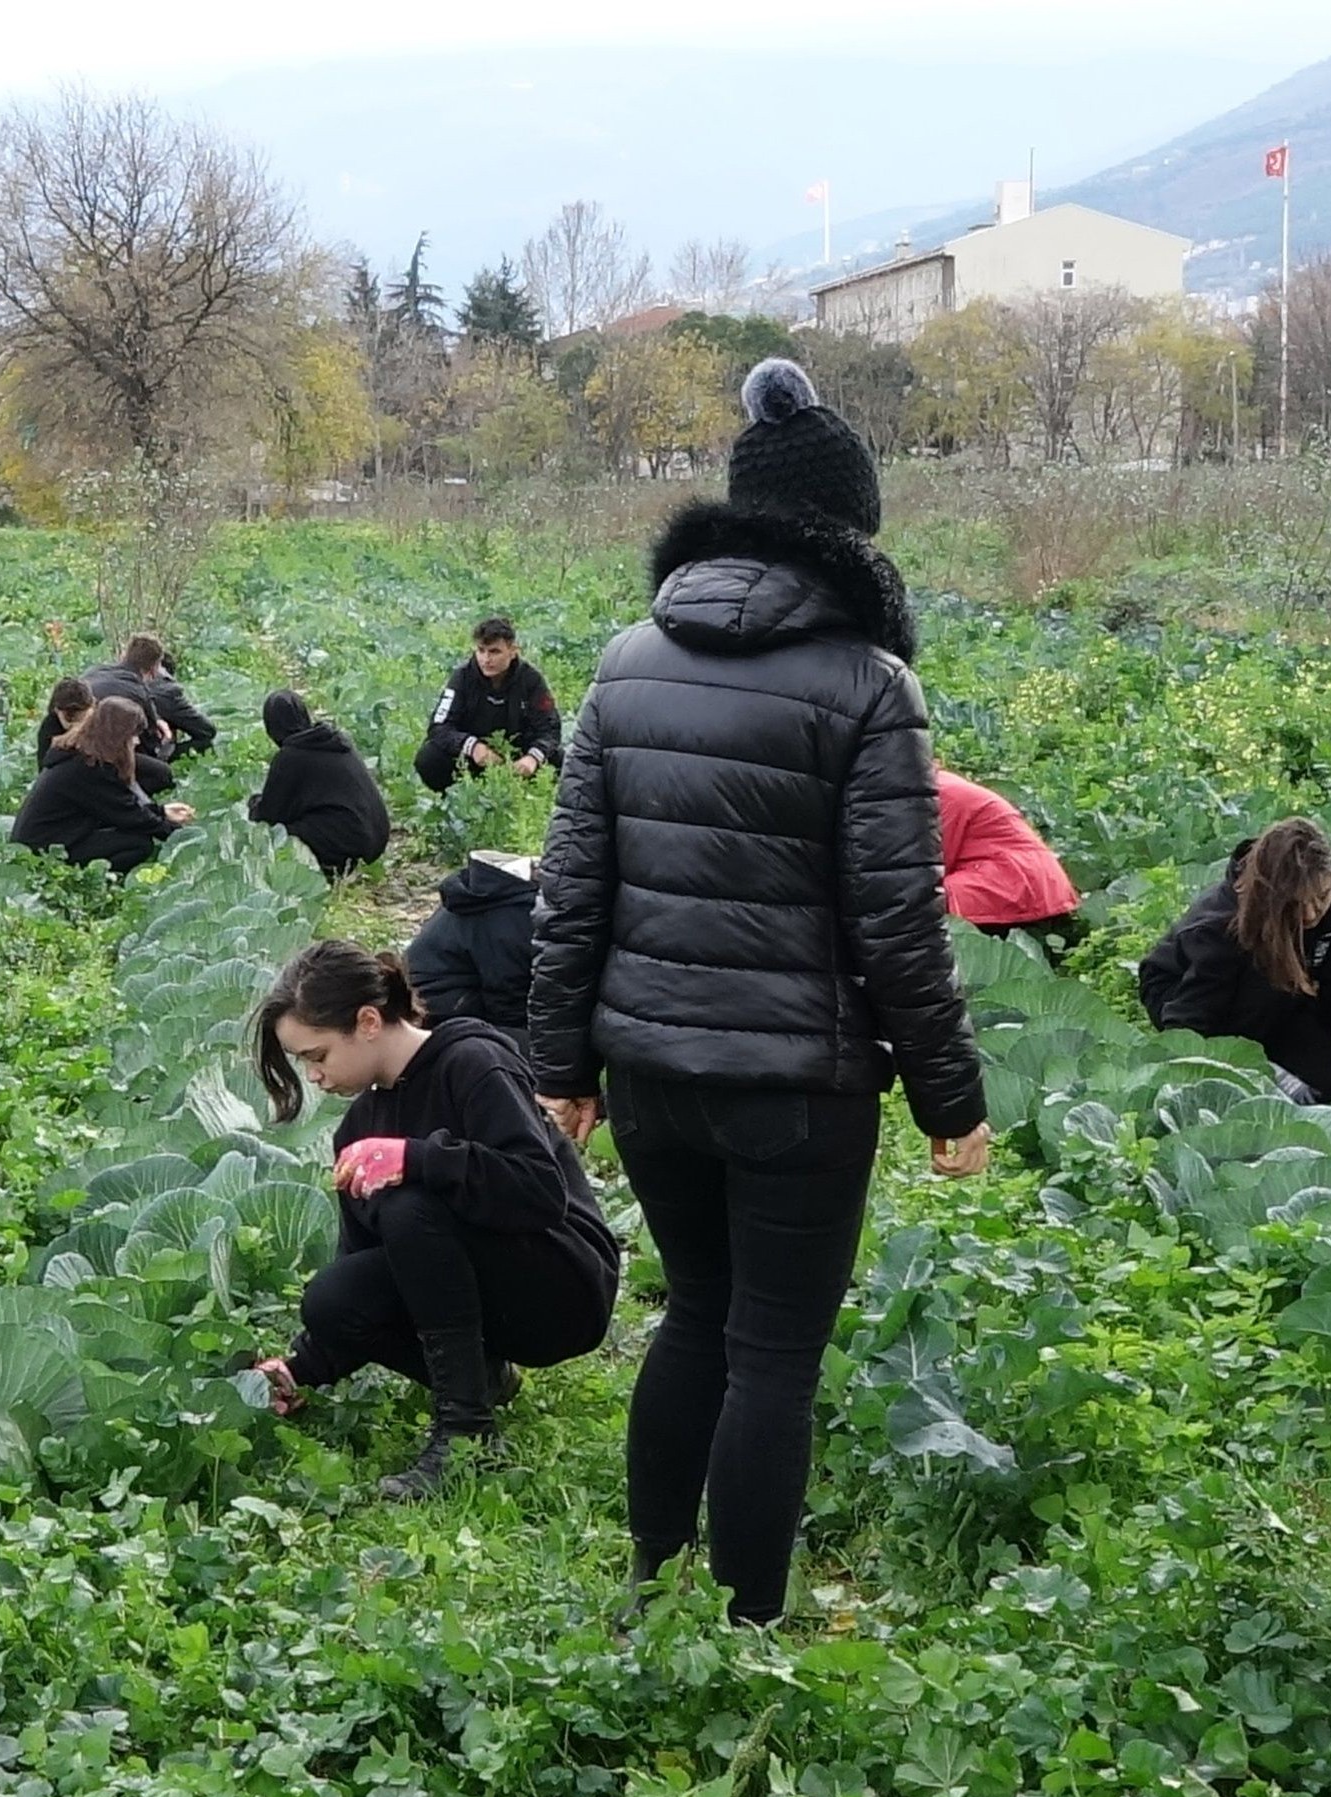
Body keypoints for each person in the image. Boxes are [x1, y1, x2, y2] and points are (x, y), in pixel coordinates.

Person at [526, 356, 994, 1627]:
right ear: (850, 535)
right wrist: (952, 1095)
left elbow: (572, 890)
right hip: (799, 1087)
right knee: (773, 1355)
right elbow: (898, 917)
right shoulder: (867, 685)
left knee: (694, 1317)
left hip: (653, 1079)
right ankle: (743, 1623)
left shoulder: (627, 663)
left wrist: (560, 1066)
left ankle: (649, 1581)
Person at [249, 940, 619, 1499]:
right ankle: (485, 1379)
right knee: (331, 1296)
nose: (314, 1077)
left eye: (317, 1055)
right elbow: (368, 1267)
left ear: (368, 1021)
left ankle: (465, 1435)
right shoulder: (359, 1128)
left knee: (407, 1203)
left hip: (564, 1286)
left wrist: (418, 1158)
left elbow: (541, 1192)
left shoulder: (471, 1062)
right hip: (487, 1297)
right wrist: (300, 1368)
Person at [1137, 818, 1331, 1105]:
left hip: (1279, 988)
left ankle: (1272, 1050)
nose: (1312, 914)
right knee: (1262, 1011)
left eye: (1321, 897)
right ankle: (1249, 1061)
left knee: (1329, 1086)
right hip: (1186, 991)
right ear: (1271, 896)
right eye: (1295, 905)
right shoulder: (1221, 928)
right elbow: (1188, 1025)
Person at [10, 697, 197, 875]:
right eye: (133, 736)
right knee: (137, 843)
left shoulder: (80, 754)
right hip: (42, 853)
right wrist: (181, 839)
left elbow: (121, 804)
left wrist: (162, 812)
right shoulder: (88, 768)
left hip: (42, 842)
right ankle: (88, 886)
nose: (136, 742)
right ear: (119, 736)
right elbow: (128, 816)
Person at [247, 690, 391, 879]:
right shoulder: (335, 741)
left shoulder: (291, 756)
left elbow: (269, 816)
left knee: (277, 835)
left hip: (351, 843)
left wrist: (252, 804)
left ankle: (332, 870)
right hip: (376, 837)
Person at [405, 851, 537, 1052]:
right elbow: (509, 1005)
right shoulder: (510, 915)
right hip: (436, 1020)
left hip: (437, 1008)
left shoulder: (501, 894)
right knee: (545, 1050)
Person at [935, 769, 1081, 947]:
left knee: (923, 899)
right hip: (1034, 883)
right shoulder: (938, 786)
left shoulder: (939, 795)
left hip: (1014, 879)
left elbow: (932, 859)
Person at [416, 615, 563, 792]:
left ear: (513, 650)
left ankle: (529, 799)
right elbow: (438, 726)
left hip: (518, 759)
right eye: (481, 650)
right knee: (429, 758)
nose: (486, 659)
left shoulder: (531, 680)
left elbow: (550, 729)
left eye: (494, 652)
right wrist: (472, 746)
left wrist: (533, 758)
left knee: (562, 761)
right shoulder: (462, 678)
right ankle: (458, 802)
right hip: (473, 757)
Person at [85, 633, 218, 763]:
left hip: (80, 744)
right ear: (155, 668)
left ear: (124, 656)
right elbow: (206, 731)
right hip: (111, 756)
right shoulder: (144, 692)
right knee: (163, 771)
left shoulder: (93, 672)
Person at [37, 676, 175, 795]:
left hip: (109, 758)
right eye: (69, 717)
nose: (75, 725)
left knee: (161, 773)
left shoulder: (103, 715)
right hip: (80, 771)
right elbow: (45, 770)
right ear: (57, 711)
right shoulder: (50, 728)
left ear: (92, 706)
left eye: (81, 718)